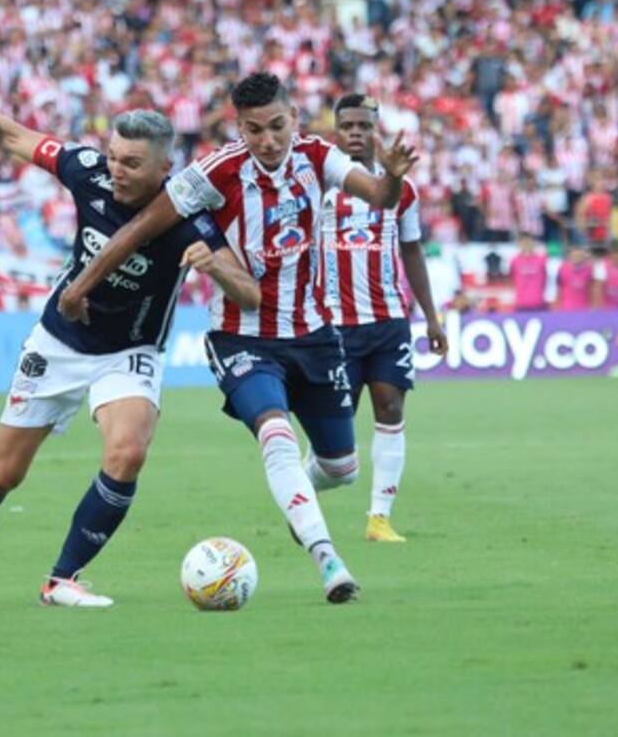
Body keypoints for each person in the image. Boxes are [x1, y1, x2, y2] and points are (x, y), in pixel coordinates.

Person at [0, 78, 259, 607]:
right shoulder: (86, 173)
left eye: (132, 163)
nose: (117, 171)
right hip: (58, 342)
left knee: (127, 453)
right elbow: (12, 136)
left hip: (130, 352)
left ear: (164, 170)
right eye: (114, 157)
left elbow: (250, 295)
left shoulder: (189, 220)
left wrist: (213, 268)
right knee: (3, 475)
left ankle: (62, 577)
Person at [56, 72, 418, 603]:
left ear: (294, 118)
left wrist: (388, 177)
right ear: (238, 128)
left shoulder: (318, 157)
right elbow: (139, 229)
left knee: (342, 468)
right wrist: (79, 287)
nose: (268, 140)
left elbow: (382, 197)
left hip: (316, 335)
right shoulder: (215, 172)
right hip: (242, 338)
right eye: (254, 130)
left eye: (277, 126)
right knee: (276, 434)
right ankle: (328, 560)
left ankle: (294, 490)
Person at [319, 94, 448, 542]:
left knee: (391, 408)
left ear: (375, 130)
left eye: (363, 125)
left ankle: (379, 518)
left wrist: (432, 316)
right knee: (336, 434)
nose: (356, 132)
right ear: (336, 131)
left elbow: (411, 250)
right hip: (334, 325)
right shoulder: (319, 184)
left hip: (390, 318)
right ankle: (301, 494)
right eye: (347, 125)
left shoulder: (403, 190)